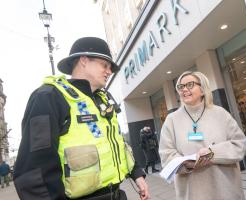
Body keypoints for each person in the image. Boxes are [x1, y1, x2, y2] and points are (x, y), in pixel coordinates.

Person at [14, 37, 149, 200]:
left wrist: (137, 174)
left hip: (116, 194)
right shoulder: (48, 97)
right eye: (104, 65)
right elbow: (33, 169)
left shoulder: (103, 100)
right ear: (84, 60)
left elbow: (117, 143)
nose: (109, 71)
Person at [159, 71, 246, 200]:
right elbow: (166, 155)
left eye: (189, 85)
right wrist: (187, 163)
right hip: (192, 193)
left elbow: (239, 144)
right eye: (180, 86)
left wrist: (212, 153)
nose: (184, 89)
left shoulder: (220, 113)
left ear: (202, 89)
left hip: (226, 190)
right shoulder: (171, 120)